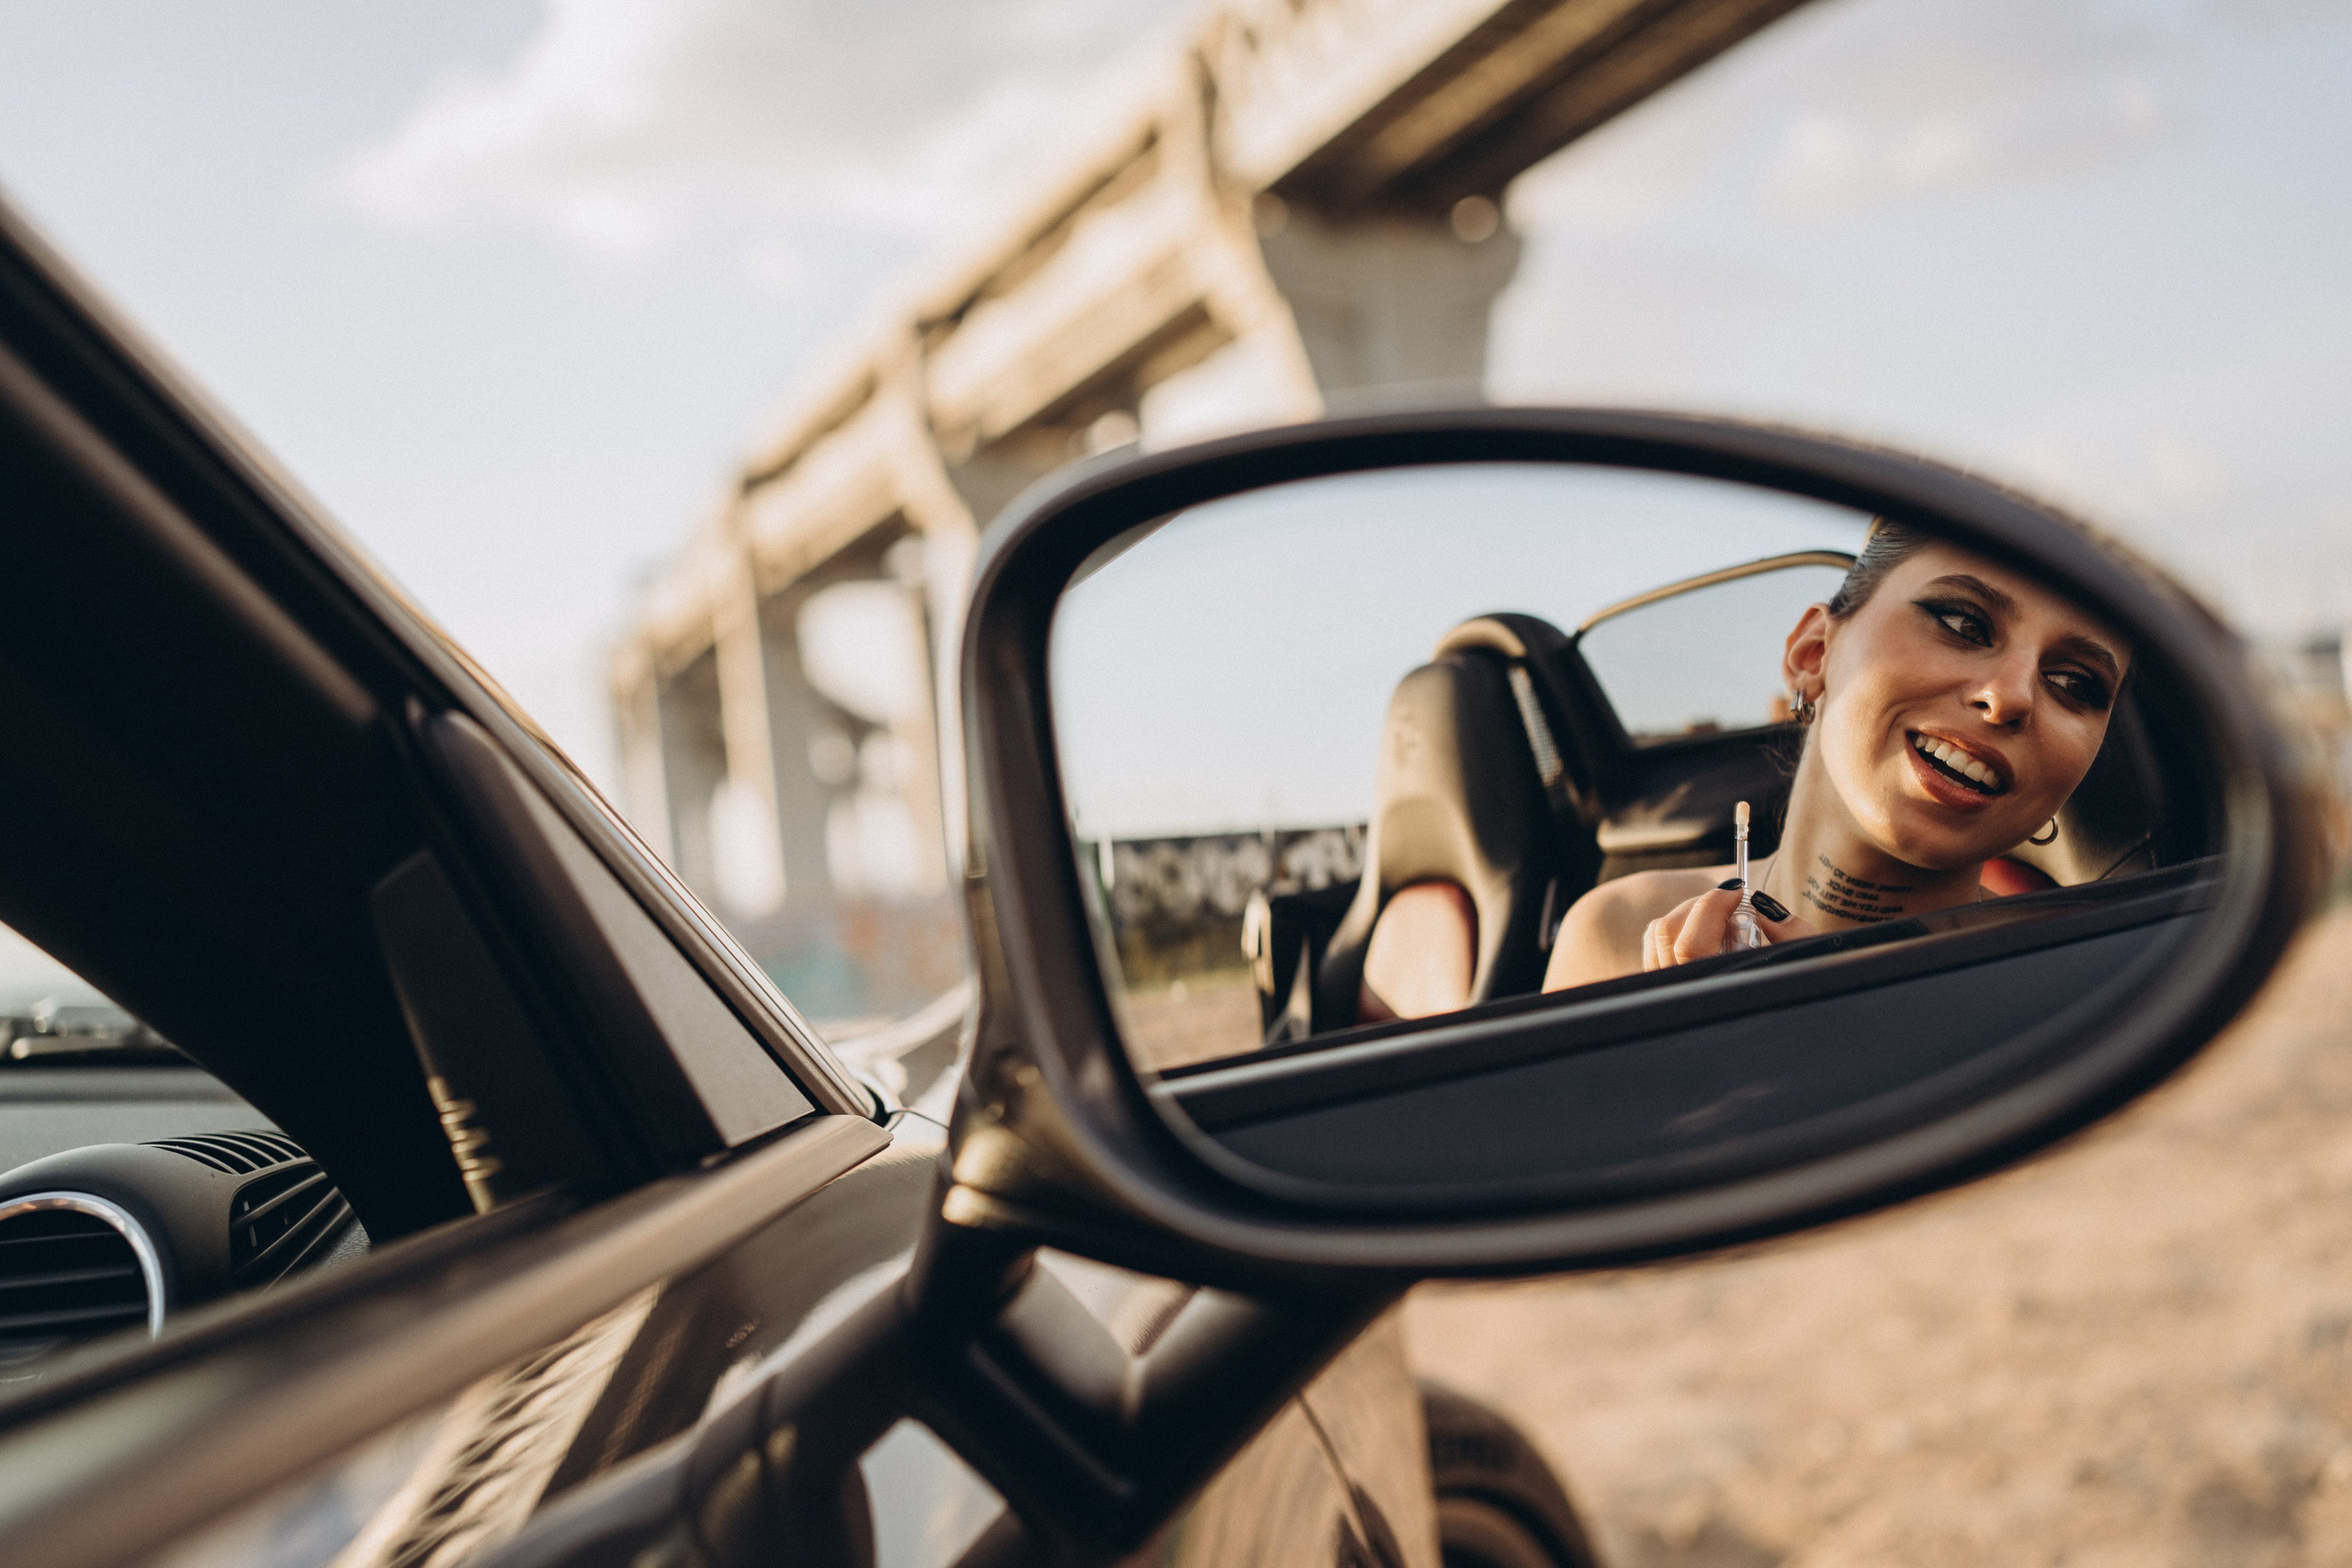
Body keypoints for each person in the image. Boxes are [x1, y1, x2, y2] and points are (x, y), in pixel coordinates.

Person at [1544, 521, 2132, 989]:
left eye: (2075, 684)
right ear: (1813, 652)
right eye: (1962, 622)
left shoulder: (2068, 984)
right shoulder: (1620, 931)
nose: (2010, 696)